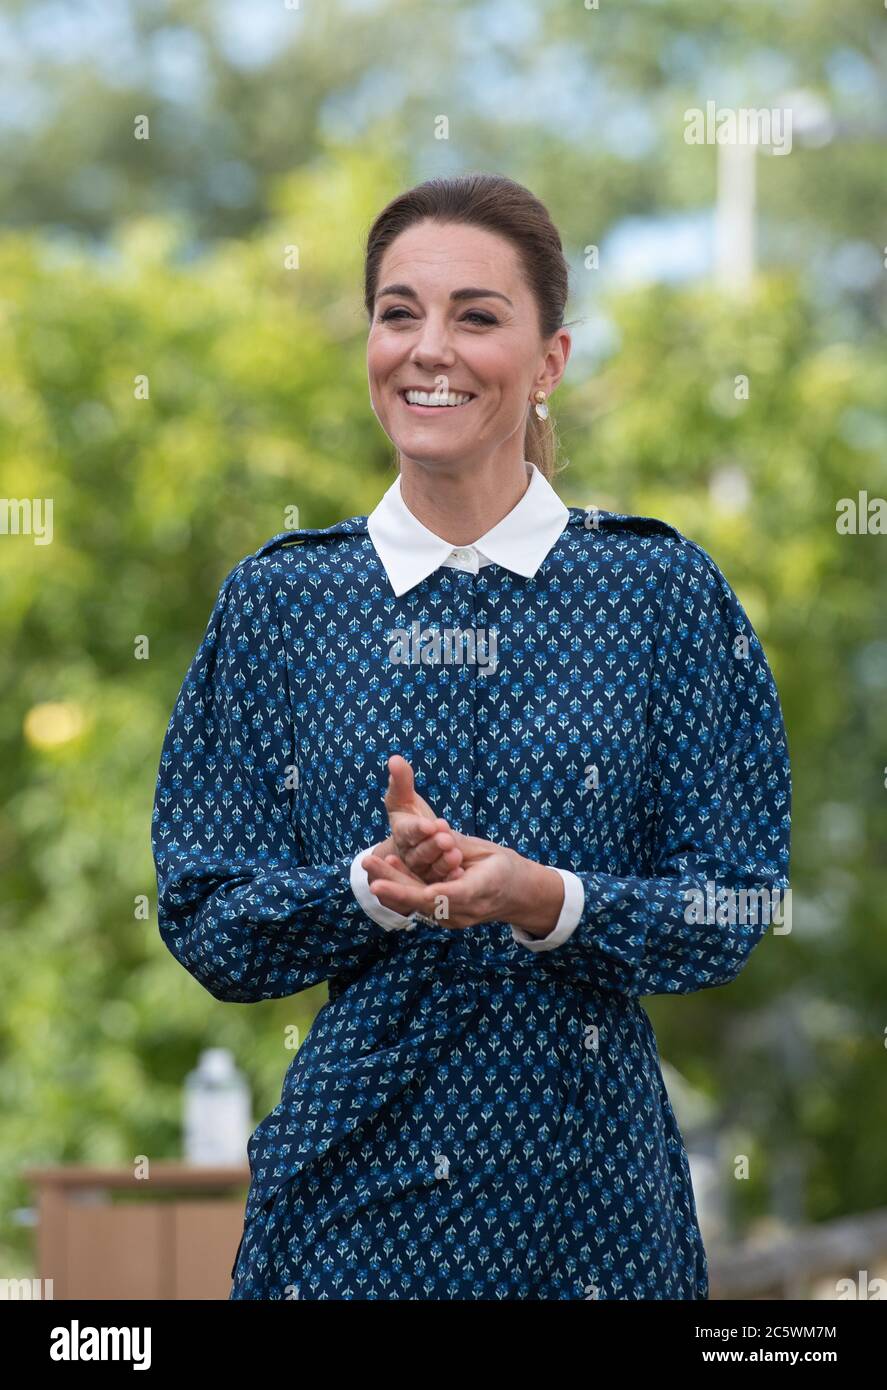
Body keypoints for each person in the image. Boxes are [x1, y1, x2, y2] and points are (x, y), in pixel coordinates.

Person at [151, 172, 791, 1300]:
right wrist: (360, 885)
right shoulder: (281, 604)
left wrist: (542, 897)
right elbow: (205, 913)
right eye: (398, 312)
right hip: (345, 1217)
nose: (427, 348)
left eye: (476, 316)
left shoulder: (657, 591)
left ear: (550, 359)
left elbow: (733, 901)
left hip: (594, 1218)